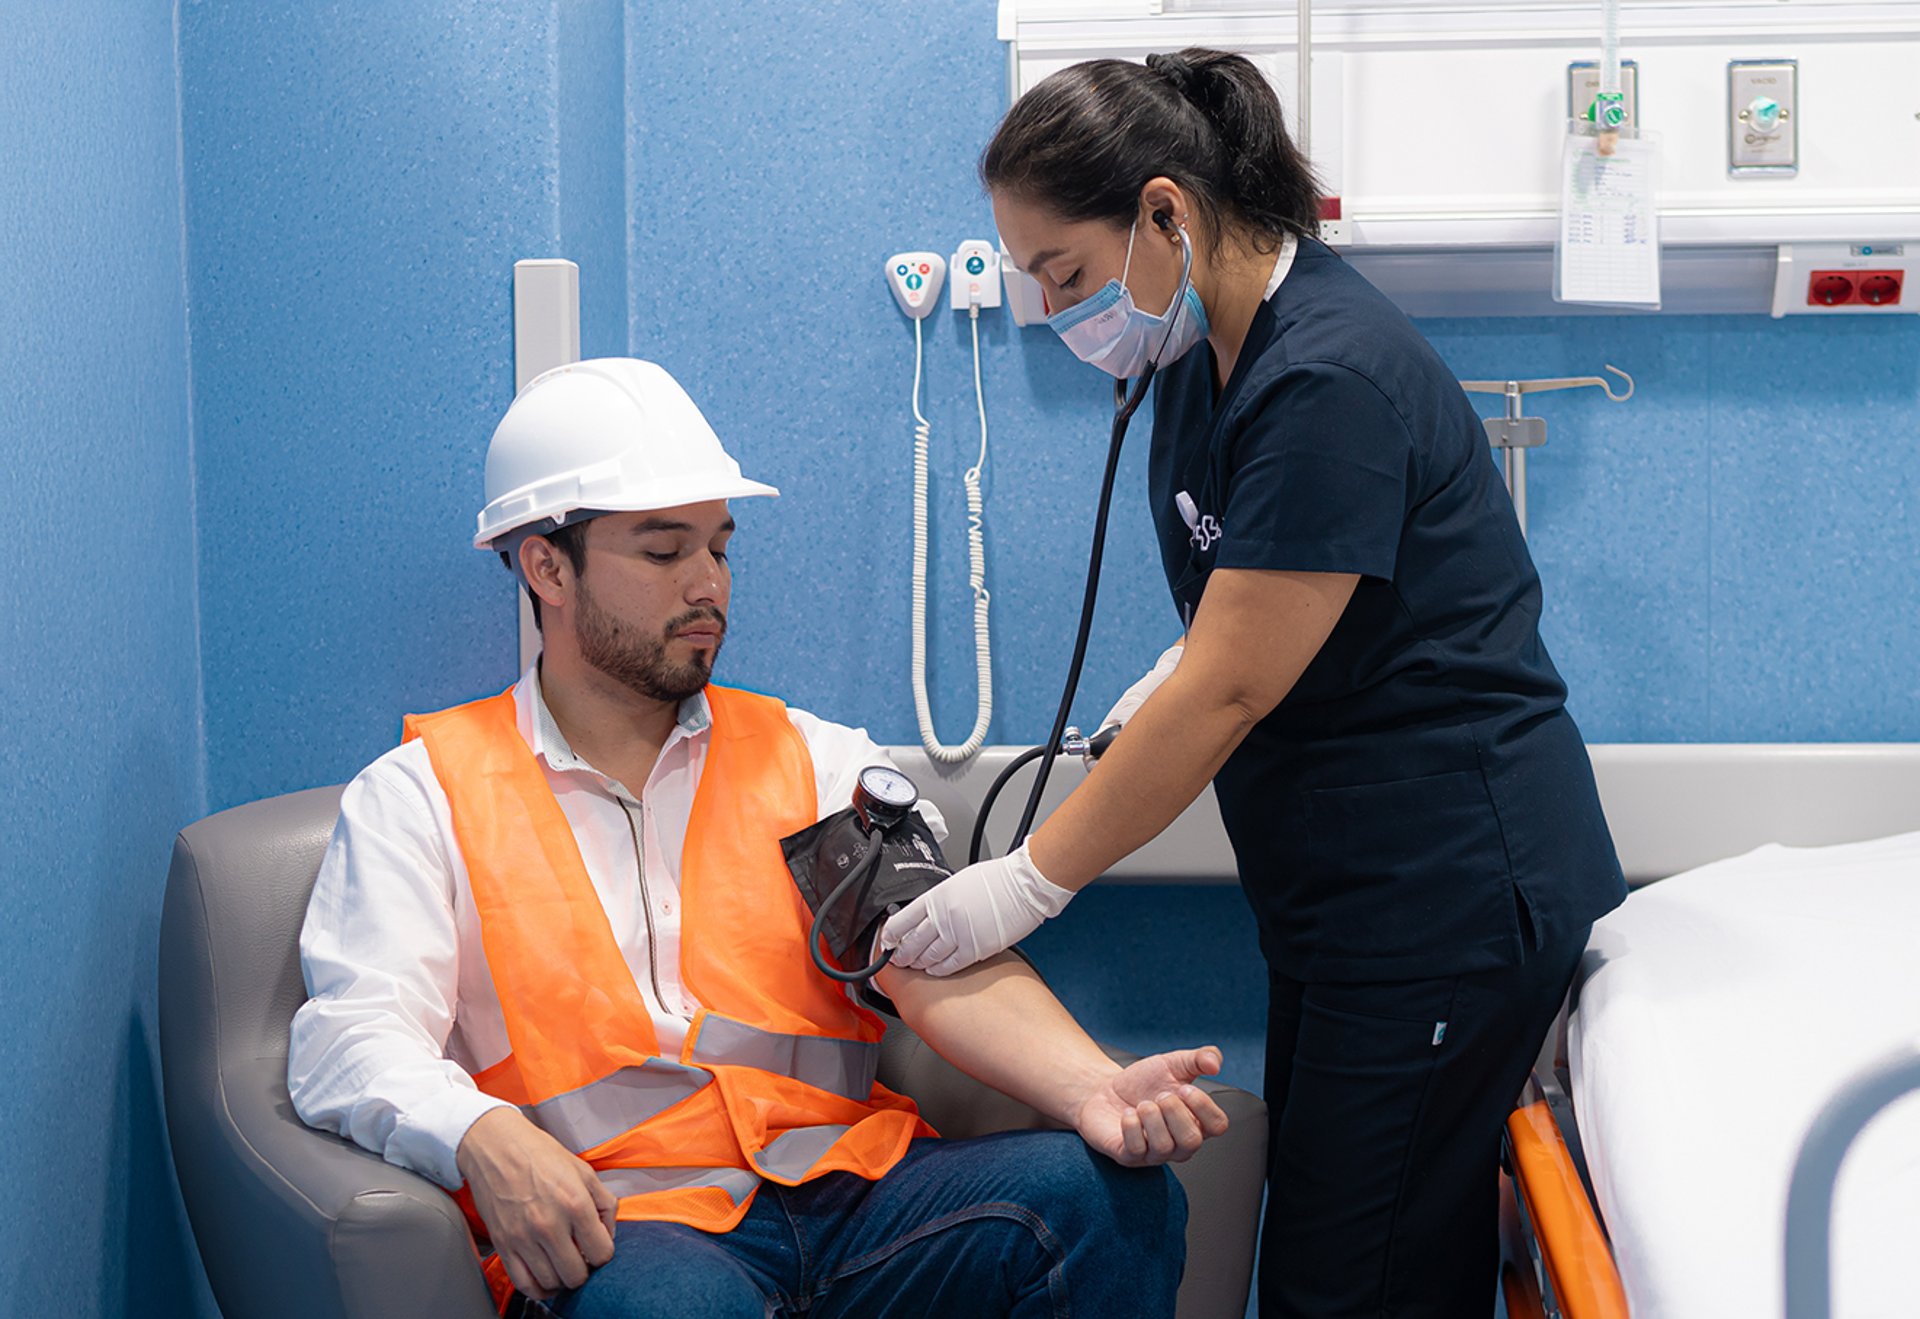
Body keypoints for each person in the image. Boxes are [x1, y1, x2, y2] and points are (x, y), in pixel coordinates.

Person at [880, 49, 1629, 1318]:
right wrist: (1170, 672)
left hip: (1444, 893)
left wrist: (1024, 884)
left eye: (1064, 271)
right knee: (1370, 1253)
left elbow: (1229, 689)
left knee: (1351, 1278)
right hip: (1354, 897)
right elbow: (1248, 610)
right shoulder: (1199, 362)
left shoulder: (1328, 374)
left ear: (1165, 212)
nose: (1058, 310)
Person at [287, 358, 1227, 1319]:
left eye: (720, 548)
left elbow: (929, 957)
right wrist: (479, 1133)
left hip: (852, 1195)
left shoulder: (814, 761)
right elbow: (349, 1040)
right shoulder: (422, 795)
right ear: (546, 566)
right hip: (628, 1224)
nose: (708, 585)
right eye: (663, 553)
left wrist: (1094, 1088)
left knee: (1099, 1200)